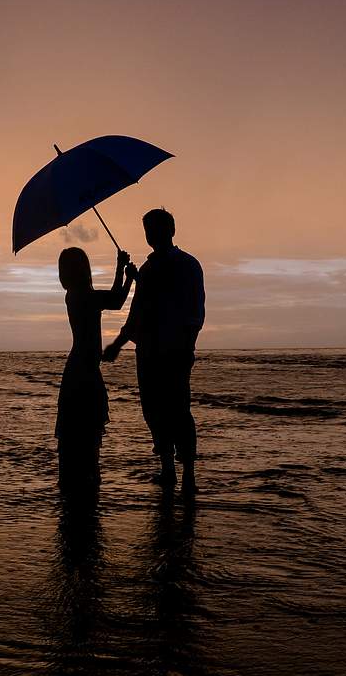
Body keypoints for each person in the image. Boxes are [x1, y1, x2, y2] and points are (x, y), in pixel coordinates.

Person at [103, 209, 205, 491]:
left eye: (155, 229)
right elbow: (139, 313)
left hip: (171, 352)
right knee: (156, 411)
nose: (151, 235)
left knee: (176, 411)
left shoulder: (185, 266)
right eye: (148, 230)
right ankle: (171, 470)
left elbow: (193, 312)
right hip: (153, 353)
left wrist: (186, 343)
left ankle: (187, 474)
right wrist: (136, 280)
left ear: (171, 230)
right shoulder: (152, 270)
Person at [56, 246, 137, 488]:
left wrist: (125, 275)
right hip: (83, 371)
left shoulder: (78, 294)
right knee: (86, 432)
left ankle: (81, 483)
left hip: (82, 369)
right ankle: (87, 482)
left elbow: (115, 300)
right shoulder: (81, 295)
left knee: (81, 432)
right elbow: (115, 300)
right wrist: (122, 270)